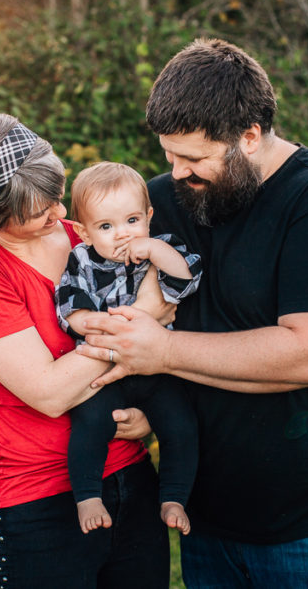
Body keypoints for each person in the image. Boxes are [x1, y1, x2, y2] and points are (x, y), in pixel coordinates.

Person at [76, 38, 308, 588]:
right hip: (205, 511)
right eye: (168, 154)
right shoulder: (159, 201)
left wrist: (166, 353)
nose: (176, 172)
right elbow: (75, 244)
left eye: (195, 157)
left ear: (250, 136)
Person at [0, 112, 172, 588]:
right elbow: (48, 392)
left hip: (129, 473)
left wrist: (148, 412)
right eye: (38, 210)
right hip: (37, 501)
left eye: (56, 195)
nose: (59, 213)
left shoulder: (81, 233)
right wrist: (136, 331)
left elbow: (163, 297)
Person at [55, 162, 201, 536]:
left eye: (133, 220)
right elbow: (71, 307)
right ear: (83, 232)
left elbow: (185, 280)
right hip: (106, 372)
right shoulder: (82, 260)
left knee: (181, 425)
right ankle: (87, 495)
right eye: (106, 226)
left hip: (156, 368)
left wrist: (153, 248)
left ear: (149, 216)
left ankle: (173, 496)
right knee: (90, 423)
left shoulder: (163, 249)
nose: (123, 234)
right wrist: (93, 324)